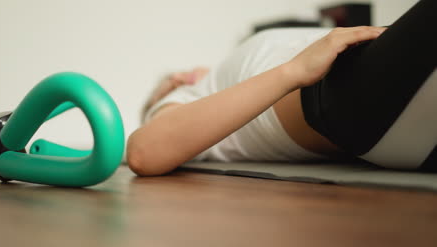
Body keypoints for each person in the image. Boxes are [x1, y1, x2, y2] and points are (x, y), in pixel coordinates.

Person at [128, 0, 436, 176]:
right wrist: (297, 70)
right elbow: (144, 151)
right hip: (345, 98)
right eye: (169, 83)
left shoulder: (229, 76)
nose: (180, 76)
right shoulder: (192, 96)